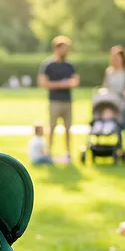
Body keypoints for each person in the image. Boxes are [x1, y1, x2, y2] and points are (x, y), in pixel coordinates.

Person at [38, 35, 80, 164]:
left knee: (68, 129)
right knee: (52, 128)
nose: (67, 51)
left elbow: (75, 81)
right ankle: (49, 153)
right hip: (54, 101)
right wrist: (61, 84)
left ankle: (68, 154)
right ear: (57, 48)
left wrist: (67, 84)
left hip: (67, 101)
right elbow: (43, 83)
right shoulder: (48, 65)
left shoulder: (69, 65)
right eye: (65, 48)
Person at [102, 45, 125, 163]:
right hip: (114, 103)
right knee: (116, 128)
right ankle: (119, 152)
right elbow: (106, 86)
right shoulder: (109, 71)